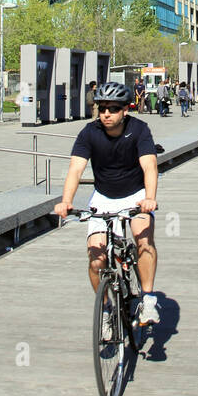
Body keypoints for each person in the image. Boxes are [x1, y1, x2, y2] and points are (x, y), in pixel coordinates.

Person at [54, 81, 160, 326]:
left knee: (143, 241)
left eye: (113, 109)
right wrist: (66, 202)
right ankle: (106, 308)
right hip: (102, 198)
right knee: (96, 260)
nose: (106, 114)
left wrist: (150, 198)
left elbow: (149, 165)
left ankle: (149, 299)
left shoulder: (139, 129)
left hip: (135, 195)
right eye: (102, 108)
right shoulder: (89, 133)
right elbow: (75, 170)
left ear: (125, 110)